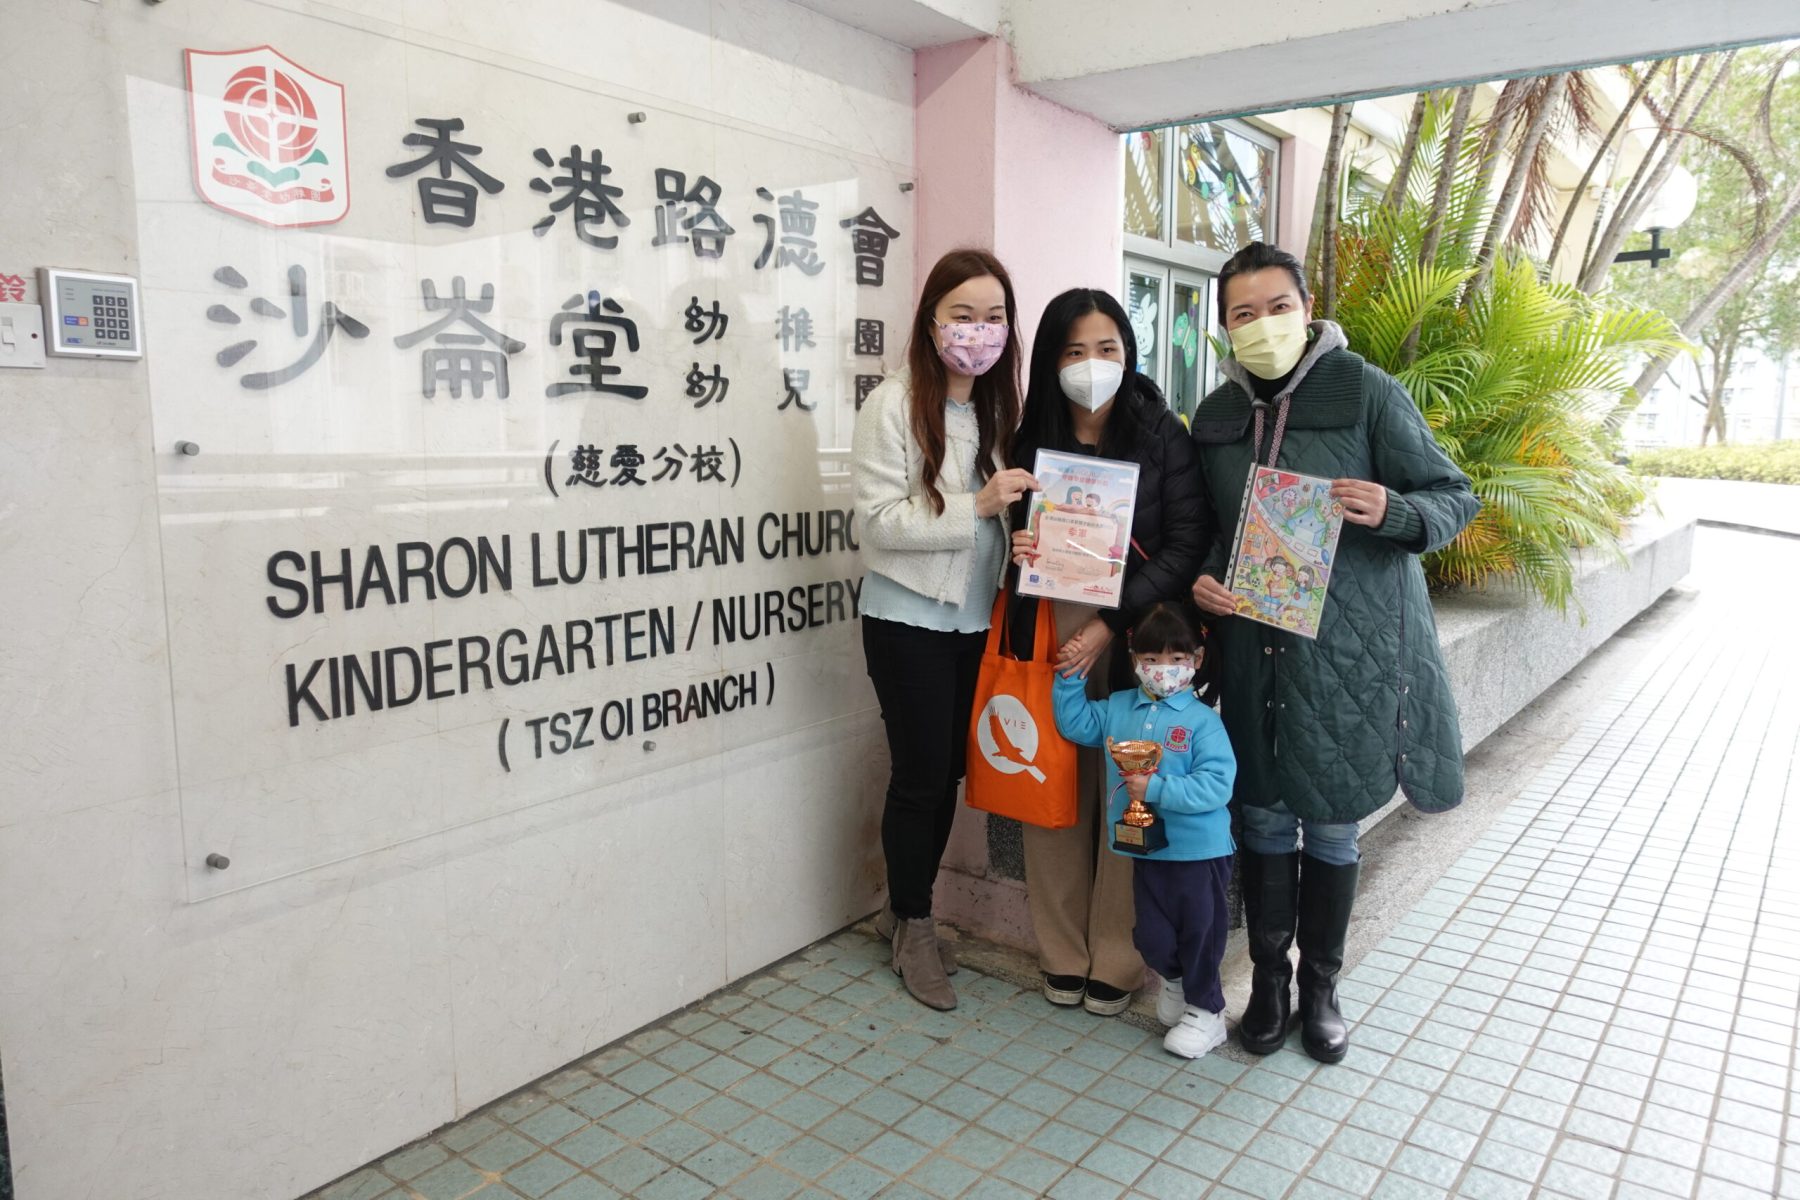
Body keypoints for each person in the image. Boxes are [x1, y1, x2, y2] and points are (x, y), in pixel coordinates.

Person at [1189, 242, 1479, 1063]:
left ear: (1307, 308)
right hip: (1254, 650)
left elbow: (1454, 496)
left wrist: (1393, 510)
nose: (1263, 325)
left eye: (1278, 306)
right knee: (1262, 815)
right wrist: (1204, 578)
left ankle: (1321, 986)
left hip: (1347, 654)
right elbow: (1208, 531)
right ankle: (1269, 983)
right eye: (1244, 314)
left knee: (1331, 822)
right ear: (1225, 325)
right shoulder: (1215, 417)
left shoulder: (1366, 392)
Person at [1008, 288, 1204, 1015]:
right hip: (1050, 628)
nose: (1092, 364)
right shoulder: (1029, 436)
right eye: (1074, 351)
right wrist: (1015, 544)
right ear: (1051, 360)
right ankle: (1061, 949)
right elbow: (1007, 540)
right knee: (1053, 787)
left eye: (1107, 349)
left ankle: (1118, 954)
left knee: (1131, 786)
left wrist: (1108, 624)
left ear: (1129, 353)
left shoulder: (1161, 433)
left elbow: (1185, 542)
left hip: (1131, 634)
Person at [853, 248, 1039, 1011]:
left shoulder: (995, 412)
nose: (979, 331)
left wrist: (1018, 538)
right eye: (963, 315)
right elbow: (878, 522)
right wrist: (980, 508)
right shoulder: (892, 404)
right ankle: (916, 927)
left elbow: (996, 517)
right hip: (906, 620)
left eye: (994, 317)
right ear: (932, 321)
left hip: (971, 623)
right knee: (921, 778)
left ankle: (903, 915)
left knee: (948, 777)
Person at [1050, 602, 1236, 1058]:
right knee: (1151, 936)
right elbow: (1075, 724)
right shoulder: (1119, 707)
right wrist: (1070, 675)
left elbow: (1218, 785)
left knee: (1201, 934)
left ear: (1196, 659)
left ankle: (1207, 1011)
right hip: (1146, 849)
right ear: (1134, 659)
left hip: (1199, 853)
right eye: (1151, 659)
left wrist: (1158, 789)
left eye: (1177, 659)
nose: (1163, 669)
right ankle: (1174, 981)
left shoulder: (1204, 722)